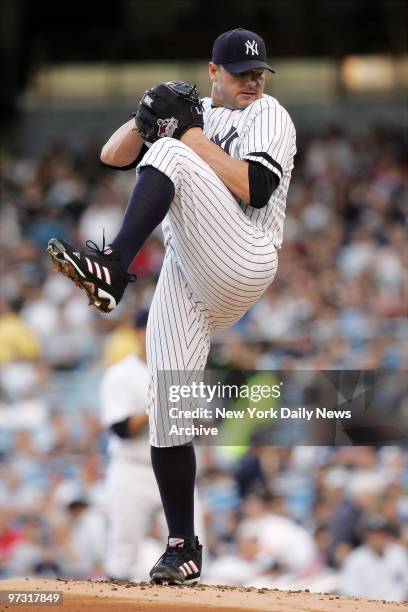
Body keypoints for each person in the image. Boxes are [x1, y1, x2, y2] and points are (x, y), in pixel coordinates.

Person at [47, 27, 296, 585]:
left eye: (258, 72)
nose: (252, 81)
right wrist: (147, 111)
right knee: (168, 410)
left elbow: (255, 186)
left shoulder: (270, 116)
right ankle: (183, 547)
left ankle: (113, 267)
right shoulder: (195, 111)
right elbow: (112, 156)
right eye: (240, 72)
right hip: (190, 279)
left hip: (246, 256)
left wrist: (182, 133)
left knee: (170, 151)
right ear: (214, 71)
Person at [100, 310, 204, 581]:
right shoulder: (120, 374)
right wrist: (158, 403)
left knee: (193, 550)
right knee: (123, 554)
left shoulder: (181, 373)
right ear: (137, 334)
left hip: (178, 470)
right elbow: (121, 429)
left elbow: (200, 424)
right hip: (131, 471)